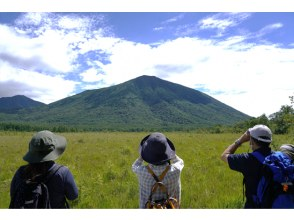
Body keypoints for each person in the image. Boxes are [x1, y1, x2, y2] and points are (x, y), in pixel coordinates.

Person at [10, 130, 78, 208]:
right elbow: (73, 196)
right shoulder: (63, 172)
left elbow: (13, 195)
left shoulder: (20, 172)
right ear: (53, 151)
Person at [220, 124, 273, 208]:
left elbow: (224, 156)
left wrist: (240, 140)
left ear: (251, 141)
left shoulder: (248, 159)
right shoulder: (277, 158)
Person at [132, 132, 184, 208]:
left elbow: (134, 166)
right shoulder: (176, 170)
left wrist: (142, 156)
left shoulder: (142, 172)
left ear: (148, 154)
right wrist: (171, 154)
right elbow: (180, 161)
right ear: (166, 152)